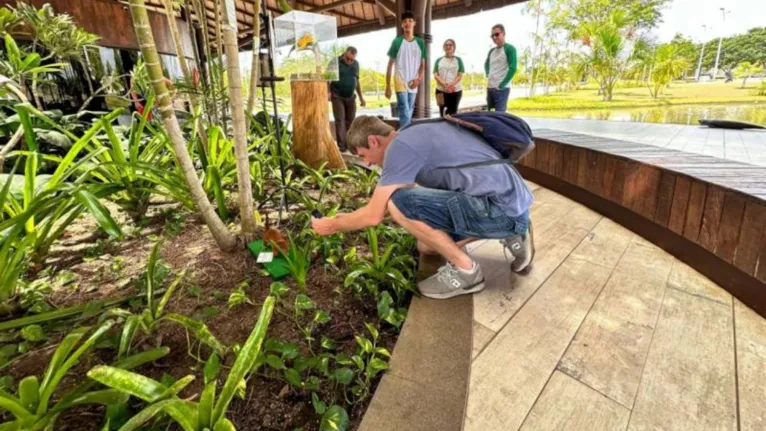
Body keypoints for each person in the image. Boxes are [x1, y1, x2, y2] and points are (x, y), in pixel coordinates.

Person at [311, 115, 534, 300]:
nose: (367, 163)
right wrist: (350, 217)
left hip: (500, 209)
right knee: (427, 246)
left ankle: (467, 273)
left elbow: (375, 215)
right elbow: (398, 206)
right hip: (512, 205)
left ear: (373, 141)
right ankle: (516, 232)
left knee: (399, 202)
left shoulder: (399, 149)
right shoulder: (413, 132)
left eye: (363, 155)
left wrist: (332, 225)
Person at [385, 11, 426, 129]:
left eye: (410, 21)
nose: (407, 23)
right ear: (402, 24)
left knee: (410, 109)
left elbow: (423, 65)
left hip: (413, 81)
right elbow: (389, 65)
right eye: (405, 21)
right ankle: (405, 135)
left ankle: (402, 132)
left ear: (414, 23)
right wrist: (387, 86)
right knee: (403, 107)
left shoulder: (420, 43)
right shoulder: (397, 42)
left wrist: (418, 79)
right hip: (400, 79)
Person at [329, 46, 366, 152]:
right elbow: (327, 78)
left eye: (352, 59)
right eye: (348, 58)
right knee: (340, 120)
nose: (350, 61)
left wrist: (361, 98)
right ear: (345, 53)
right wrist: (328, 92)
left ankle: (350, 144)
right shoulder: (335, 62)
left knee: (351, 121)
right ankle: (342, 146)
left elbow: (356, 81)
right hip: (337, 96)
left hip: (350, 97)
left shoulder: (356, 64)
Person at [484, 24, 517, 113]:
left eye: (497, 34)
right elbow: (486, 63)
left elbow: (513, 68)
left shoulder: (510, 49)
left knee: (500, 115)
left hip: (501, 89)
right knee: (490, 114)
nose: (494, 37)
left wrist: (502, 85)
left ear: (503, 34)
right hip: (490, 86)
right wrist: (487, 73)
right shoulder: (491, 51)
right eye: (492, 36)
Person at [434, 39, 465, 117]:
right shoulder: (438, 60)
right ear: (443, 47)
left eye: (450, 45)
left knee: (453, 114)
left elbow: (460, 75)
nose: (448, 46)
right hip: (440, 91)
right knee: (442, 113)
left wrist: (451, 84)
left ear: (454, 47)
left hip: (455, 92)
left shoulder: (458, 60)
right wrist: (445, 84)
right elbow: (436, 75)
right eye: (446, 45)